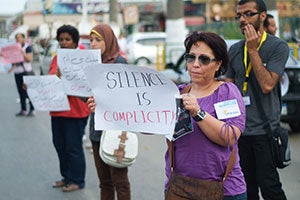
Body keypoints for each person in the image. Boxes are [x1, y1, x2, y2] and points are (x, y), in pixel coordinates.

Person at [164, 31, 247, 199]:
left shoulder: (227, 93)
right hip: (180, 189)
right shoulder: (178, 93)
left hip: (224, 191)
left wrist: (198, 112)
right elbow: (149, 124)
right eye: (191, 57)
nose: (195, 64)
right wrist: (105, 104)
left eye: (204, 59)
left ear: (218, 64)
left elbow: (230, 136)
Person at [225, 0, 289, 199]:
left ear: (262, 16)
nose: (242, 20)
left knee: (270, 188)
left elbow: (267, 85)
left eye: (248, 14)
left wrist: (253, 50)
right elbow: (229, 89)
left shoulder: (277, 46)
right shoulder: (235, 49)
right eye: (239, 16)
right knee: (246, 189)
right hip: (239, 132)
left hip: (265, 131)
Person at [88, 24, 131, 200]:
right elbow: (86, 95)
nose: (93, 44)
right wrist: (67, 78)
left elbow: (129, 98)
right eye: (91, 40)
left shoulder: (120, 63)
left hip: (115, 131)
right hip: (96, 131)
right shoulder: (90, 64)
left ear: (109, 40)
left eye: (98, 40)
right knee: (104, 182)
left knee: (119, 181)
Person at [49, 24, 90, 192]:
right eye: (61, 40)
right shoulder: (55, 58)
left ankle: (77, 180)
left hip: (76, 111)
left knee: (73, 147)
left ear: (75, 42)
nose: (64, 42)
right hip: (57, 110)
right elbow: (49, 79)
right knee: (59, 145)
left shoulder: (84, 58)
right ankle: (66, 177)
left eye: (67, 39)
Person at [9, 33, 35, 116]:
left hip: (26, 72)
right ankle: (23, 109)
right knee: (21, 92)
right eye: (16, 38)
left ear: (24, 39)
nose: (18, 39)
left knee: (28, 92)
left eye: (19, 38)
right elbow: (13, 60)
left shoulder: (27, 47)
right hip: (17, 72)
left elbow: (28, 59)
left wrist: (22, 53)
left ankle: (32, 109)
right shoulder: (14, 49)